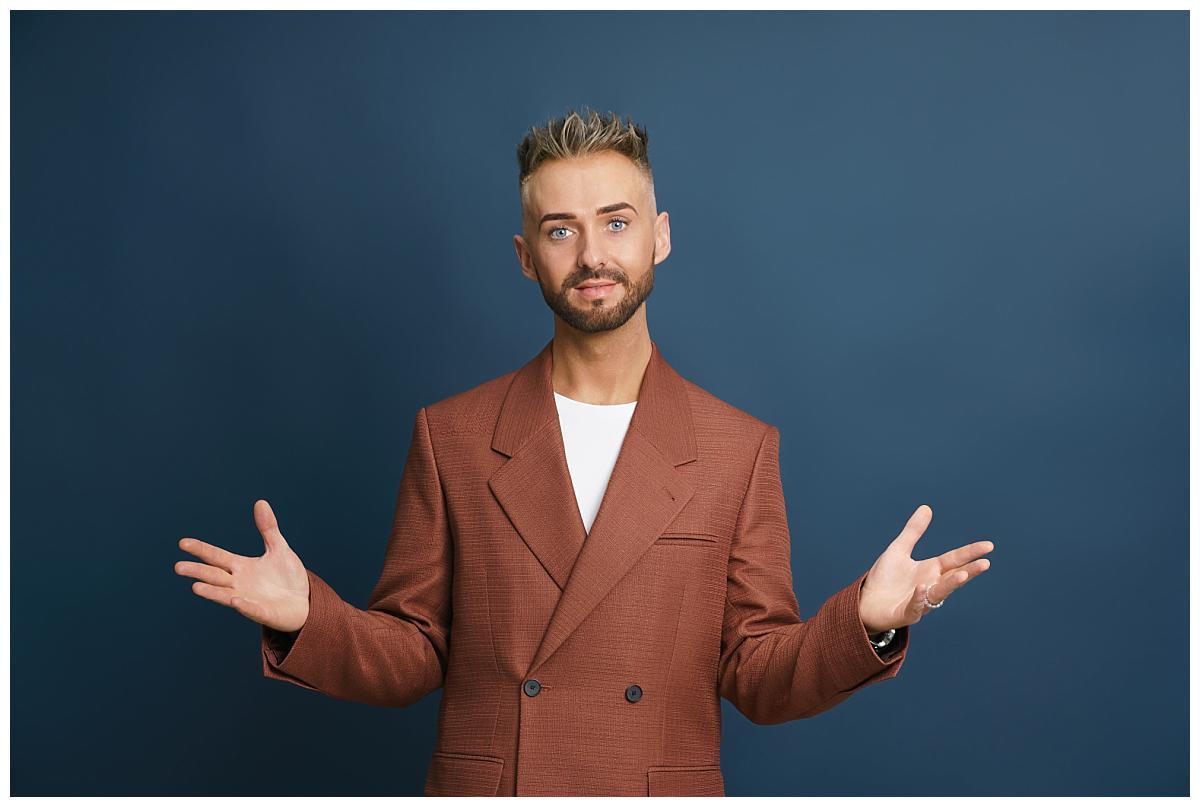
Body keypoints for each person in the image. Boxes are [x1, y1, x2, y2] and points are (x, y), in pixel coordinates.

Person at [174, 107, 994, 797]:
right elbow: (414, 652)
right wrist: (309, 616)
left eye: (616, 221)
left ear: (660, 236)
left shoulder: (737, 449)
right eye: (560, 229)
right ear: (527, 255)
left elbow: (758, 673)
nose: (592, 254)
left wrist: (866, 624)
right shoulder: (451, 435)